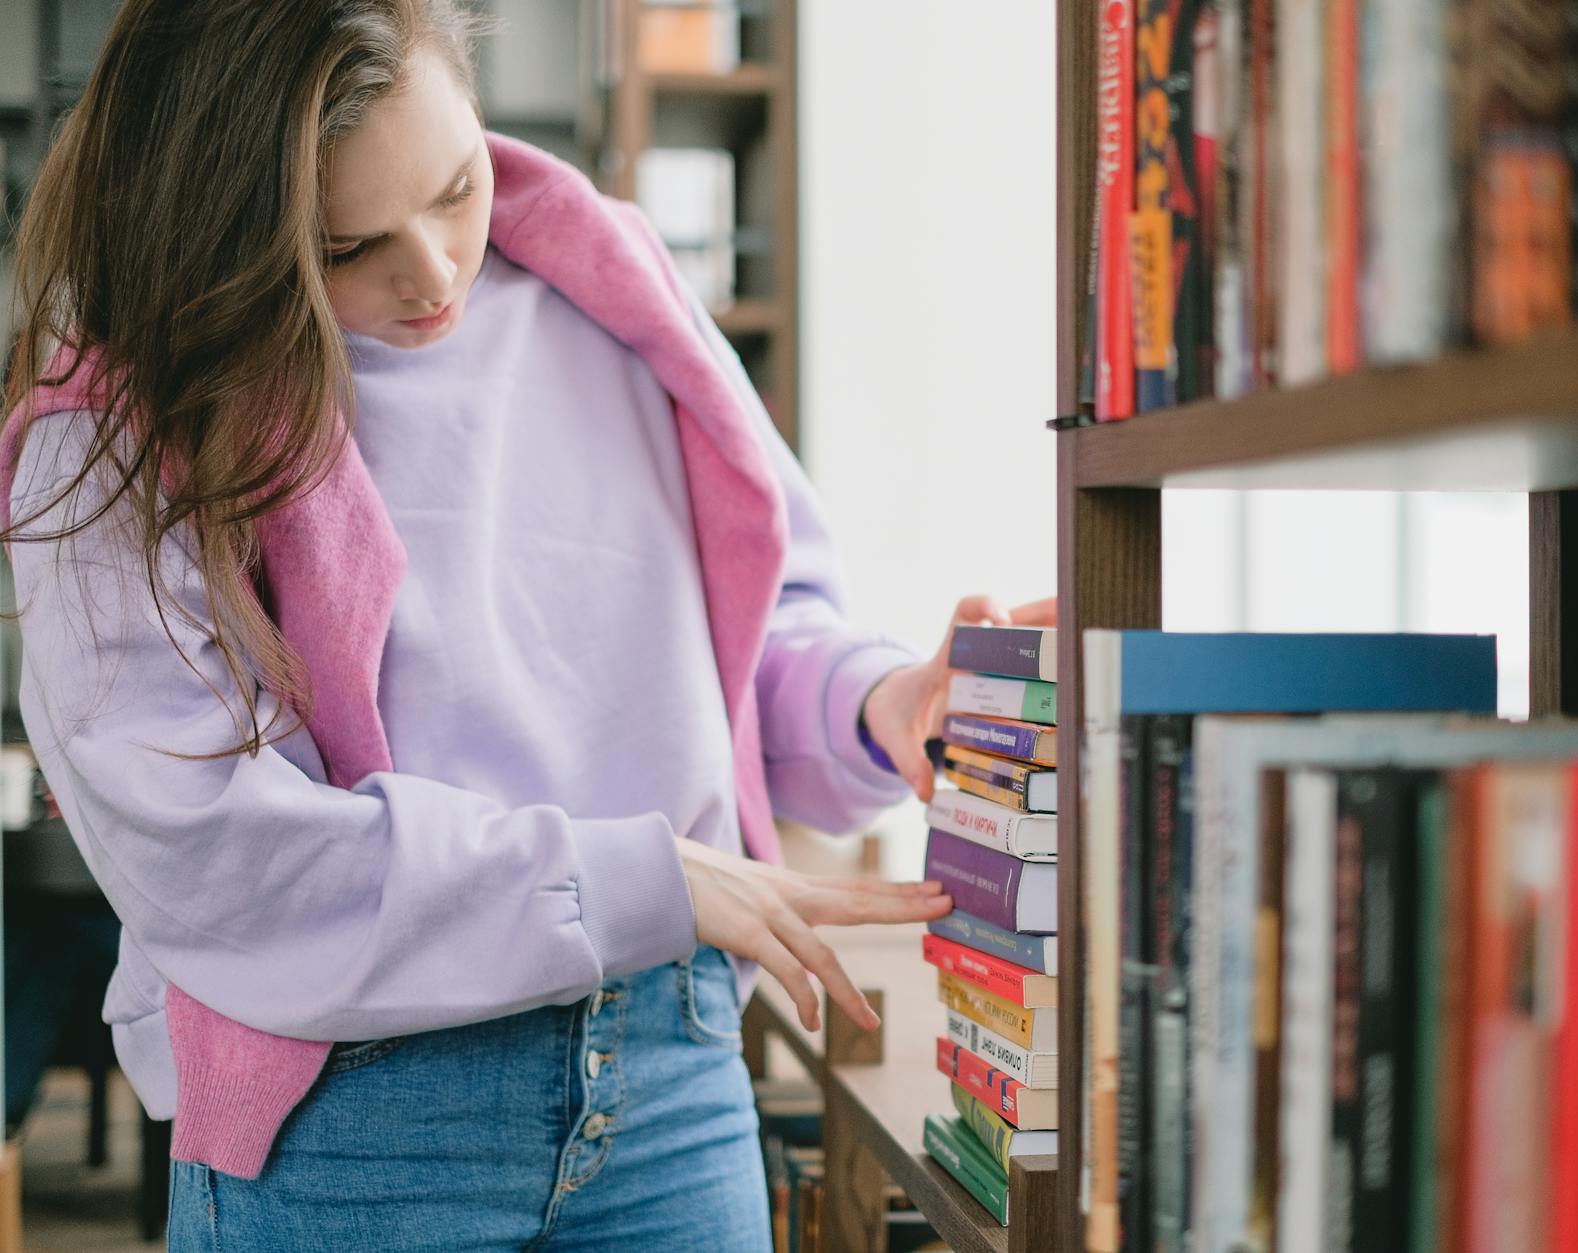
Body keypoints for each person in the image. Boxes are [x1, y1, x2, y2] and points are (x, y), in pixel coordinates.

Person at [0, 1, 1052, 1247]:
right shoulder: (115, 428)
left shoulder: (616, 293)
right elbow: (214, 850)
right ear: (223, 234)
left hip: (671, 1076)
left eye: (456, 186)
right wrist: (628, 877)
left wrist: (878, 702)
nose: (436, 272)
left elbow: (736, 645)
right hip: (358, 1122)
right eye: (347, 247)